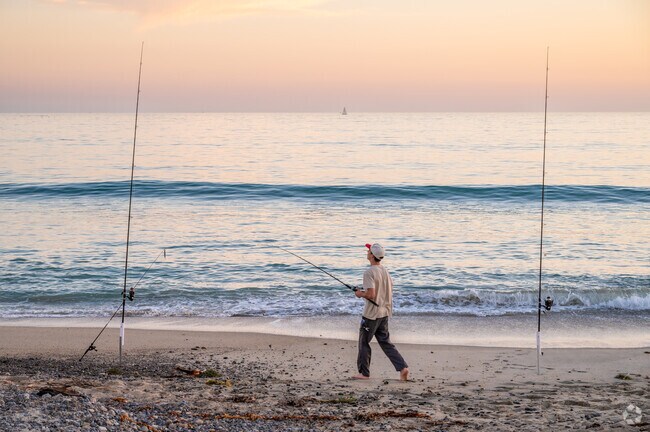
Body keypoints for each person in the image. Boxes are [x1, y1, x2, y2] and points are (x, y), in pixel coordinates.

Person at [353, 243, 409, 381]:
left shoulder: (369, 272)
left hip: (371, 315)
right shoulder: (385, 270)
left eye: (368, 251)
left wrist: (360, 294)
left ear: (372, 255)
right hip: (384, 312)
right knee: (385, 342)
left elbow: (371, 294)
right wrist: (365, 292)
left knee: (363, 343)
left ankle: (364, 373)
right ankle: (403, 368)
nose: (367, 252)